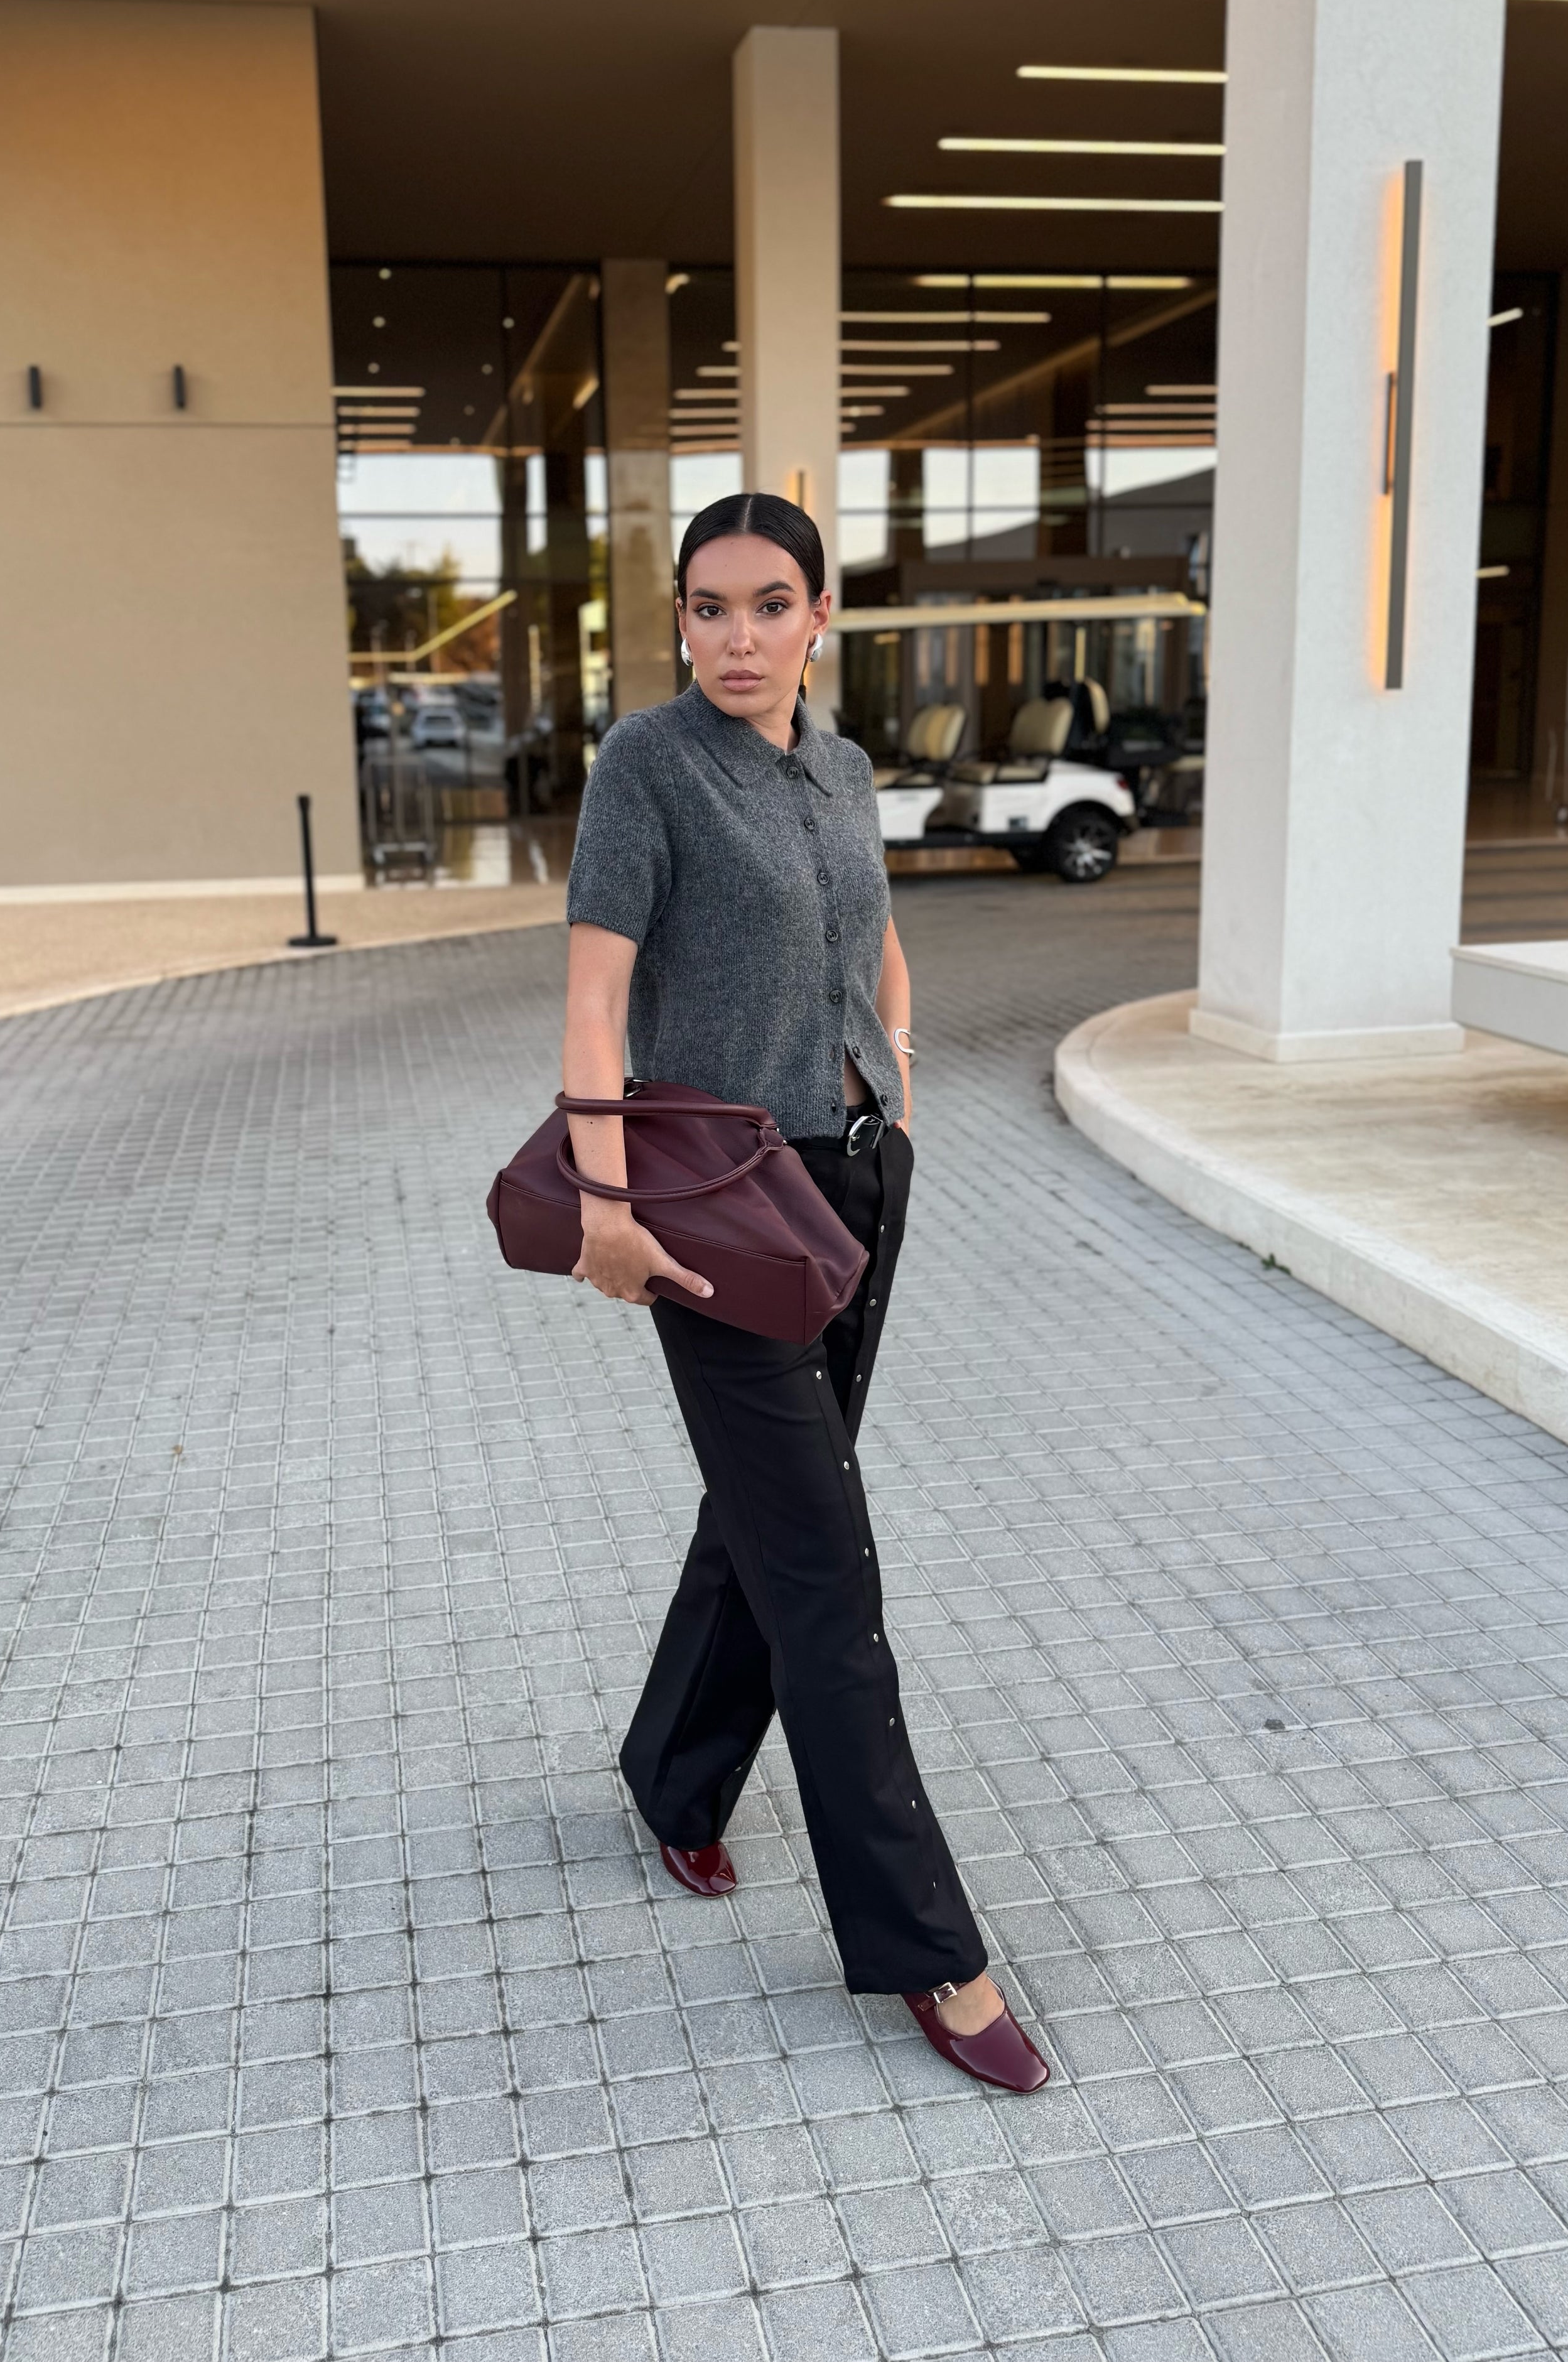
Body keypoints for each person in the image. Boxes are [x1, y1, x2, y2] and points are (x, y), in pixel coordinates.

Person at [558, 490, 1049, 2095]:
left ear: (820, 617)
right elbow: (593, 993)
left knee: (765, 1518)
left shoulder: (839, 770)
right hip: (710, 1213)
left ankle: (673, 1778)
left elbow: (875, 933)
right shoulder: (648, 765)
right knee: (827, 1578)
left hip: (850, 1184)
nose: (740, 637)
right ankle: (934, 1952)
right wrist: (604, 1205)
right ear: (678, 621)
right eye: (709, 608)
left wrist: (896, 1076)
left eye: (772, 605)